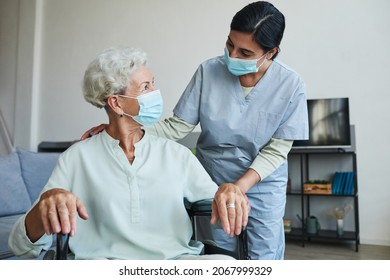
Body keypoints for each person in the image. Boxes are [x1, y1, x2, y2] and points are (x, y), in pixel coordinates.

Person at [81, 1, 308, 260]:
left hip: (262, 184)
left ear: (271, 53)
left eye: (245, 53)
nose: (232, 57)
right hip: (212, 179)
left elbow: (277, 149)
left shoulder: (291, 85)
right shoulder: (209, 71)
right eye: (229, 45)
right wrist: (120, 129)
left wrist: (238, 186)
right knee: (221, 252)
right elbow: (178, 126)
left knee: (263, 256)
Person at [8, 47, 249, 260]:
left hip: (174, 263)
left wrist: (228, 192)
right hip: (101, 264)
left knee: (223, 265)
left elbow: (222, 205)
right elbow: (20, 244)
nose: (156, 92)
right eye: (146, 87)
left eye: (153, 83)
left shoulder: (177, 155)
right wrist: (46, 205)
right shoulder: (77, 157)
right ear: (116, 103)